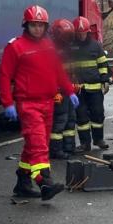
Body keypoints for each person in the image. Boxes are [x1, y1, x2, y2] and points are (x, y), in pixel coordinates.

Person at [0, 5, 77, 200]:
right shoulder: (15, 47)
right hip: (28, 104)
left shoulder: (48, 45)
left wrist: (69, 90)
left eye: (41, 25)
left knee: (33, 145)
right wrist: (7, 103)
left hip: (48, 103)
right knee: (40, 144)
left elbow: (58, 70)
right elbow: (4, 76)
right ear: (26, 25)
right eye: (34, 25)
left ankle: (23, 183)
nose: (37, 29)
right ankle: (44, 182)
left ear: (46, 27)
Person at [66, 16, 110, 151]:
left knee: (98, 114)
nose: (81, 35)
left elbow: (103, 64)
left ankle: (99, 140)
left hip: (95, 88)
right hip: (78, 89)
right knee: (81, 117)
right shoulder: (70, 46)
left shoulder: (95, 45)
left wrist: (105, 79)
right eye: (79, 33)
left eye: (83, 33)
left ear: (88, 32)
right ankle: (85, 143)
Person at [48, 19, 78, 159]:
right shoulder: (51, 50)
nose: (68, 39)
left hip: (68, 90)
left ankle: (69, 147)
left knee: (71, 119)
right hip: (58, 91)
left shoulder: (68, 49)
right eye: (66, 36)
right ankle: (56, 150)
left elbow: (71, 71)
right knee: (60, 120)